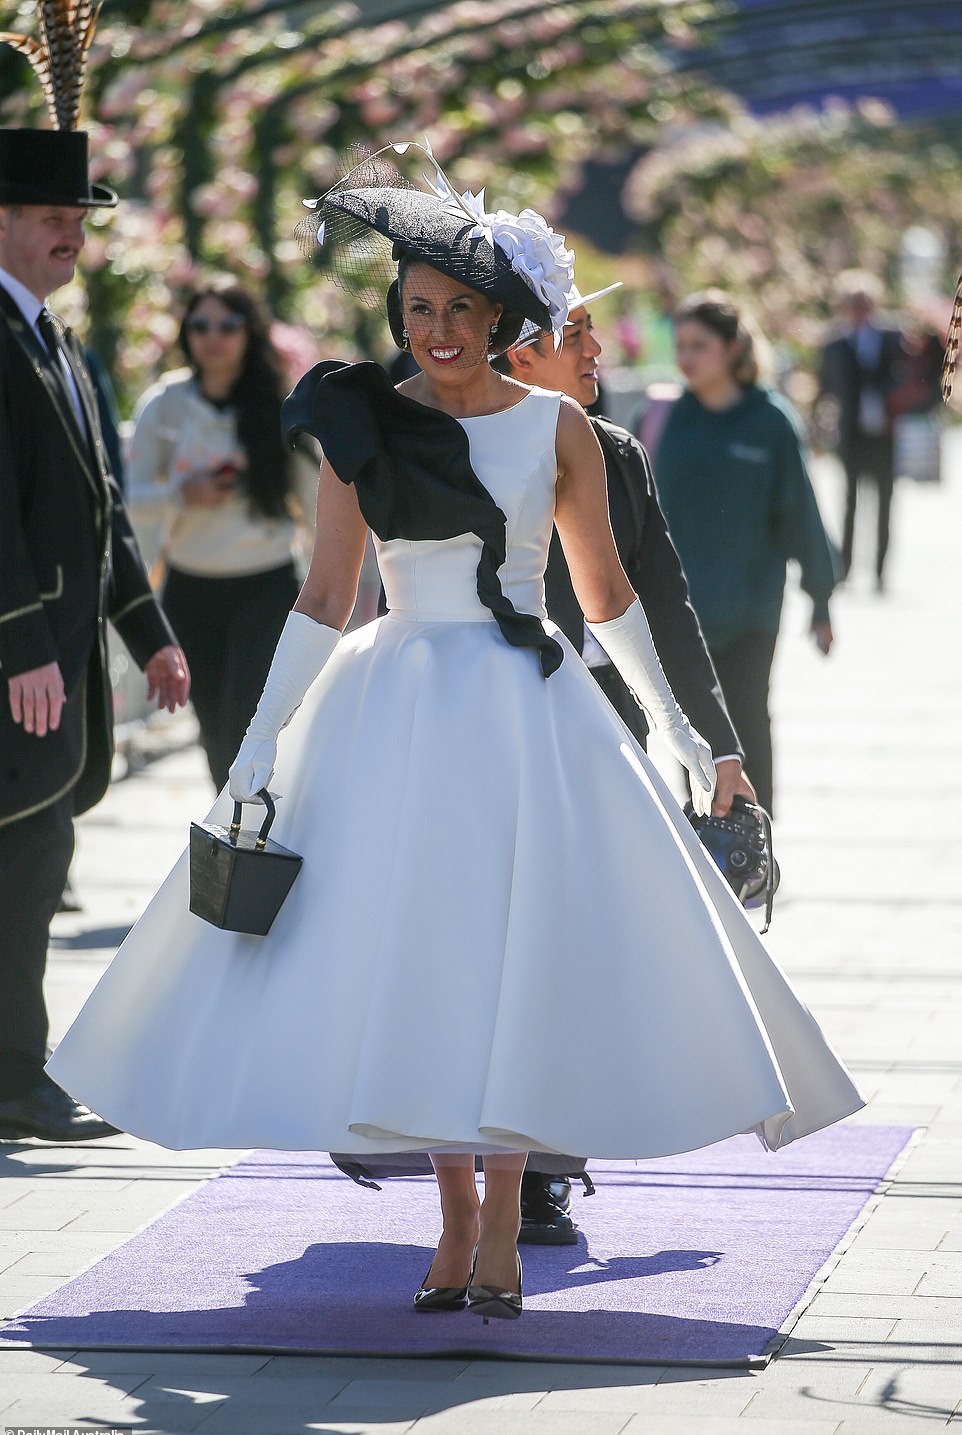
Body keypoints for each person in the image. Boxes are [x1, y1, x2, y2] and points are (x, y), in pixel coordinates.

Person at [47, 147, 863, 1322]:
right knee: (420, 962)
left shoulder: (559, 432)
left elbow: (609, 596)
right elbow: (325, 599)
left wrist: (683, 734)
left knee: (509, 962)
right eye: (417, 309)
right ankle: (455, 1226)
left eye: (460, 311)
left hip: (530, 718)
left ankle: (503, 1228)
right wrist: (263, 746)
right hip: (395, 713)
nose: (435, 330)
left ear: (501, 319)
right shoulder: (355, 424)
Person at [492, 281, 753, 1243]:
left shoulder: (622, 454)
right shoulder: (456, 449)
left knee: (576, 939)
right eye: (578, 337)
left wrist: (717, 741)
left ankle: (546, 1169)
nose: (599, 354)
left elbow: (668, 602)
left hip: (605, 727)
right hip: (491, 724)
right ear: (519, 353)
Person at [0, 125, 190, 1144]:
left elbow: (102, 508)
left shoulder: (59, 342)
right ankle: (15, 1084)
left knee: (32, 873)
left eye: (78, 218)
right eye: (48, 217)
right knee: (21, 877)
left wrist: (149, 632)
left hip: (62, 669)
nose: (71, 234)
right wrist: (21, 642)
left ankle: (15, 1078)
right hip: (17, 668)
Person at [126, 279, 320, 789]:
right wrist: (180, 494)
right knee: (213, 727)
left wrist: (343, 589)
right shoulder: (163, 404)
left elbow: (320, 503)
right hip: (191, 589)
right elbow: (129, 497)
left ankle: (261, 826)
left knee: (249, 718)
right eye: (200, 325)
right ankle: (231, 834)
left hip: (267, 585)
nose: (213, 337)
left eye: (227, 326)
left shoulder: (281, 406)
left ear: (249, 333)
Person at [656, 290, 837, 819]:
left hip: (752, 608)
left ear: (733, 349)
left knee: (747, 721)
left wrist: (821, 601)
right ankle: (707, 843)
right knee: (693, 730)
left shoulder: (771, 421)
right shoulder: (666, 418)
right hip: (682, 611)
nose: (685, 358)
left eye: (699, 346)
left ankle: (757, 842)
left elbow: (801, 514)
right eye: (680, 346)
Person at [816, 272, 902, 590]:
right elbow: (825, 387)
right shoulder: (835, 343)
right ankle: (847, 568)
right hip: (852, 433)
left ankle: (880, 571)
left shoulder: (893, 336)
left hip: (884, 431)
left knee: (885, 502)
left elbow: (906, 375)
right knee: (849, 501)